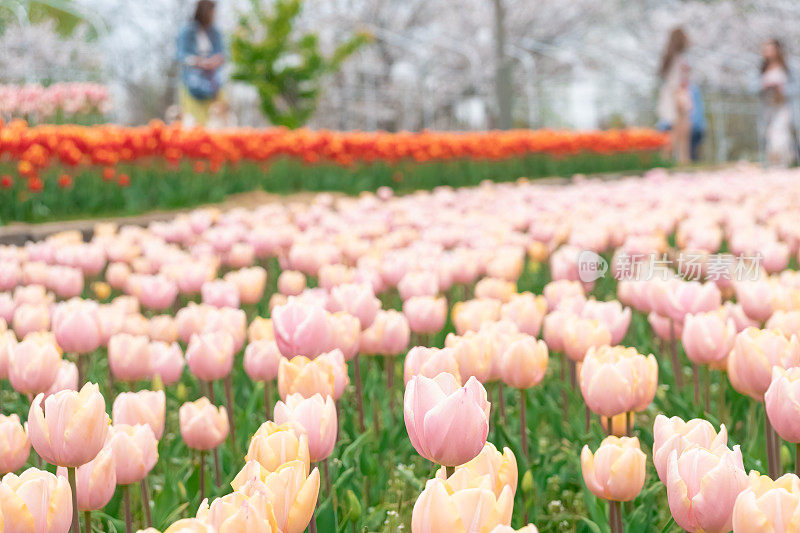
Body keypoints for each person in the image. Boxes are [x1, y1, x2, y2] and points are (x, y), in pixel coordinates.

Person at [176, 0, 226, 127]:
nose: (214, 15)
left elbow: (223, 53)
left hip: (214, 82)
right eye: (212, 12)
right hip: (192, 84)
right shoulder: (187, 31)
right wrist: (198, 62)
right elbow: (181, 55)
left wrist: (215, 61)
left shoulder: (216, 32)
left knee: (217, 121)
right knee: (194, 122)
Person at [657, 28, 691, 165]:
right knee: (679, 130)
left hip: (679, 94)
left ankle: (681, 159)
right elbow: (675, 82)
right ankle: (670, 158)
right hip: (676, 95)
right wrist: (679, 99)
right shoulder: (676, 59)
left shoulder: (675, 57)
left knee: (682, 129)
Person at [760, 38, 795, 167]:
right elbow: (753, 87)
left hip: (782, 107)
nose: (766, 51)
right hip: (768, 107)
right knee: (768, 134)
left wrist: (781, 88)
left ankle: (783, 164)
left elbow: (793, 88)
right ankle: (772, 165)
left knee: (780, 135)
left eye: (769, 48)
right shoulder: (762, 68)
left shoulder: (786, 68)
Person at [688, 83, 706, 162]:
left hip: (694, 128)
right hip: (698, 127)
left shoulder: (692, 91)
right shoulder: (694, 90)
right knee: (692, 153)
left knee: (691, 153)